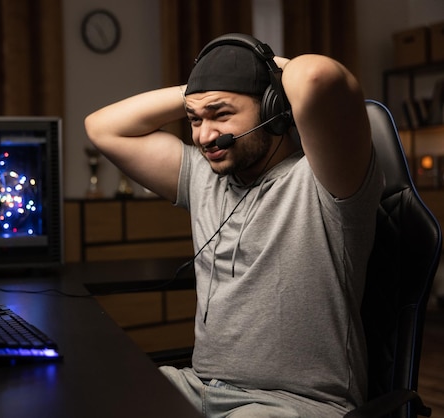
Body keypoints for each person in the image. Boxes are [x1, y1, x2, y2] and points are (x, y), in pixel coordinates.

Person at [84, 33, 384, 418]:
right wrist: (202, 89)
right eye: (195, 119)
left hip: (292, 404)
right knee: (86, 393)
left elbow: (315, 78)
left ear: (274, 108)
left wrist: (263, 72)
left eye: (221, 114)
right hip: (199, 387)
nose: (205, 135)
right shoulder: (203, 177)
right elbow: (101, 127)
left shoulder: (327, 181)